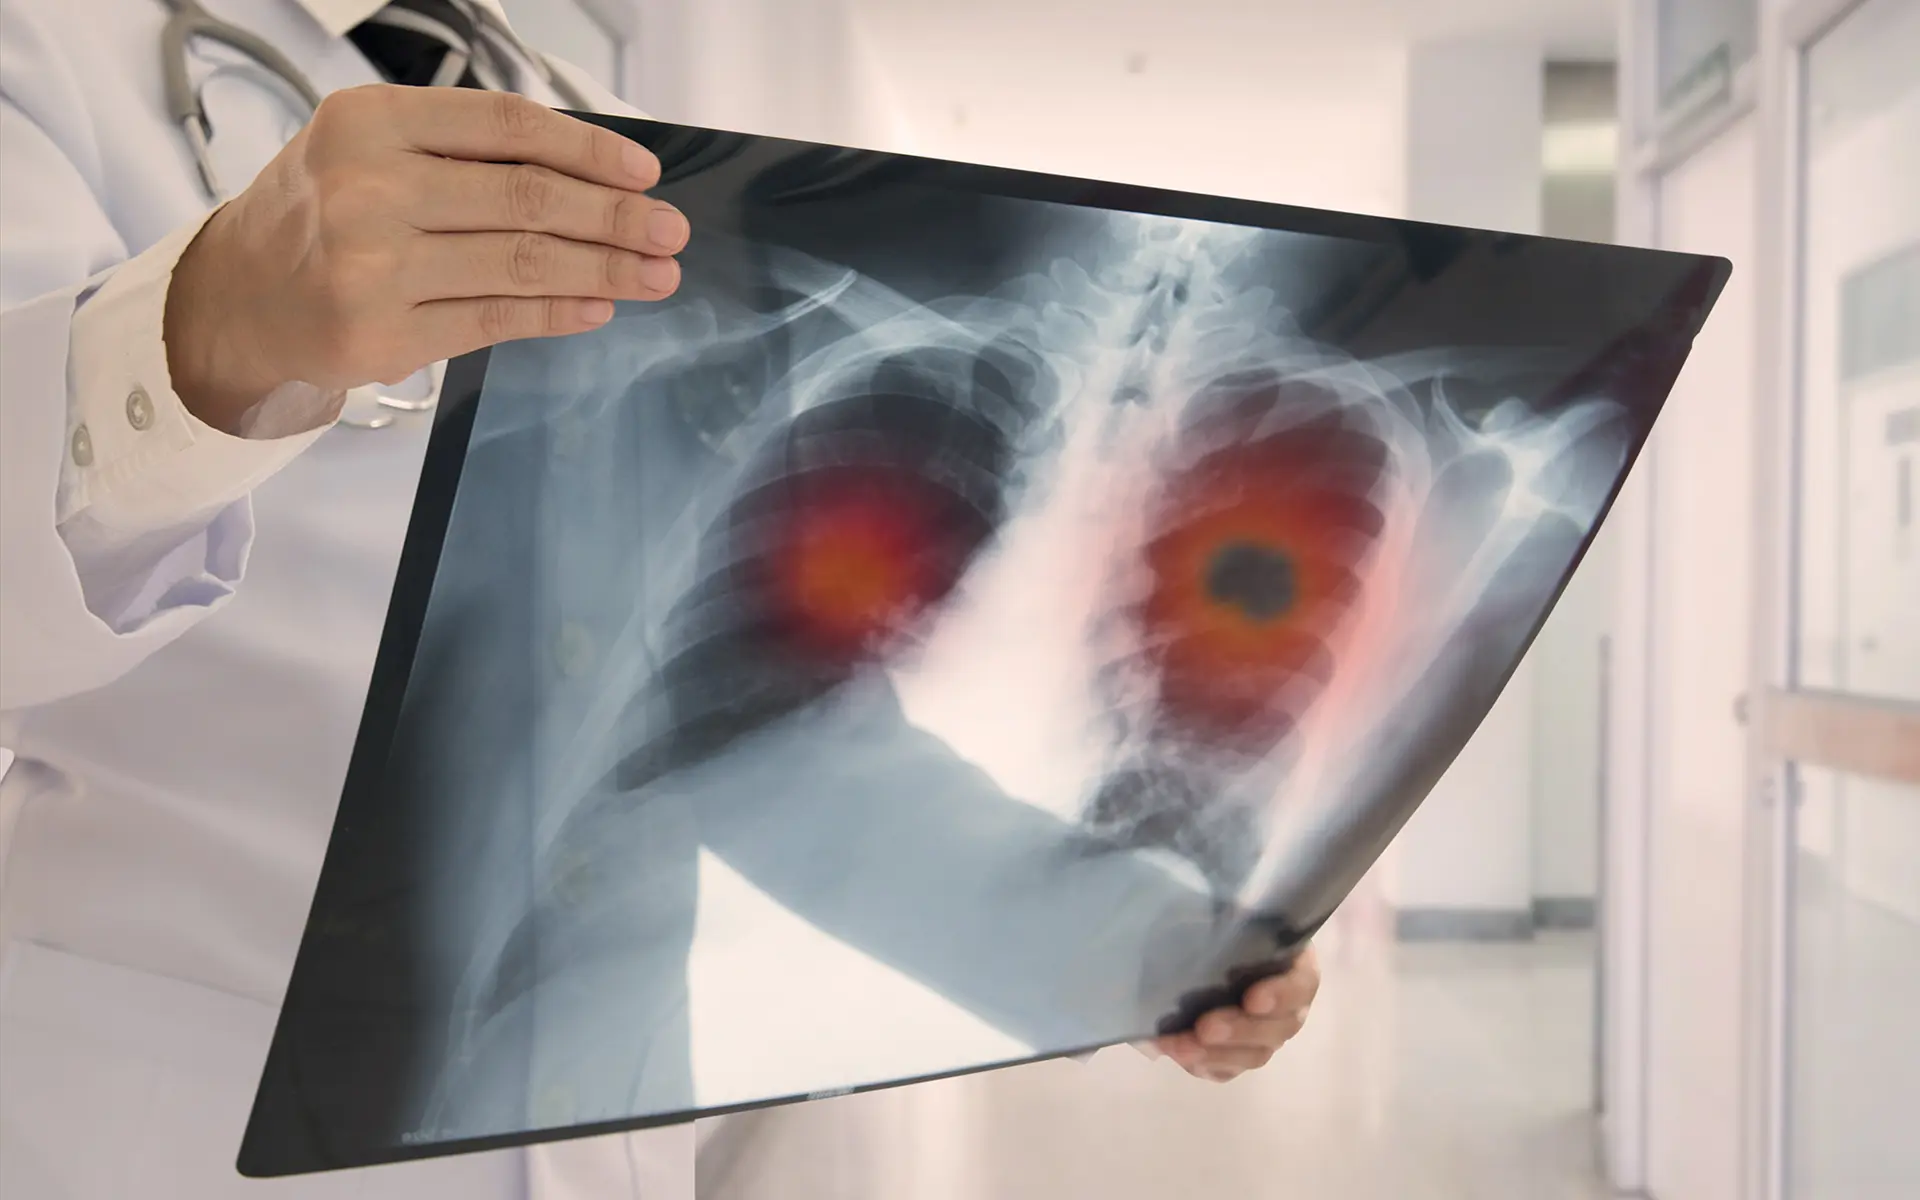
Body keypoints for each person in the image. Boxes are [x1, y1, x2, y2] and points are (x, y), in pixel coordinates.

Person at [0, 2, 1321, 1198]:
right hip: (175, 1121)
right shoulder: (48, 51)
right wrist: (207, 335)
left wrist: (1131, 941)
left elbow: (738, 727)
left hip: (607, 1128)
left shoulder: (594, 117)